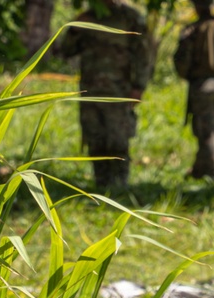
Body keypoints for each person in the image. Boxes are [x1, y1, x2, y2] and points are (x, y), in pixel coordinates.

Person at [54, 0, 155, 194]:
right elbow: (65, 51)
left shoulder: (130, 17)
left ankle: (119, 187)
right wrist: (75, 28)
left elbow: (144, 54)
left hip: (119, 92)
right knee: (94, 137)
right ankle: (100, 186)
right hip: (90, 91)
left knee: (117, 138)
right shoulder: (89, 17)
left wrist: (139, 86)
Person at [174, 0, 214, 187]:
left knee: (206, 133)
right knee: (213, 131)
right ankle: (199, 170)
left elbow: (182, 62)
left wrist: (189, 75)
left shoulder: (192, 31)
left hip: (203, 86)